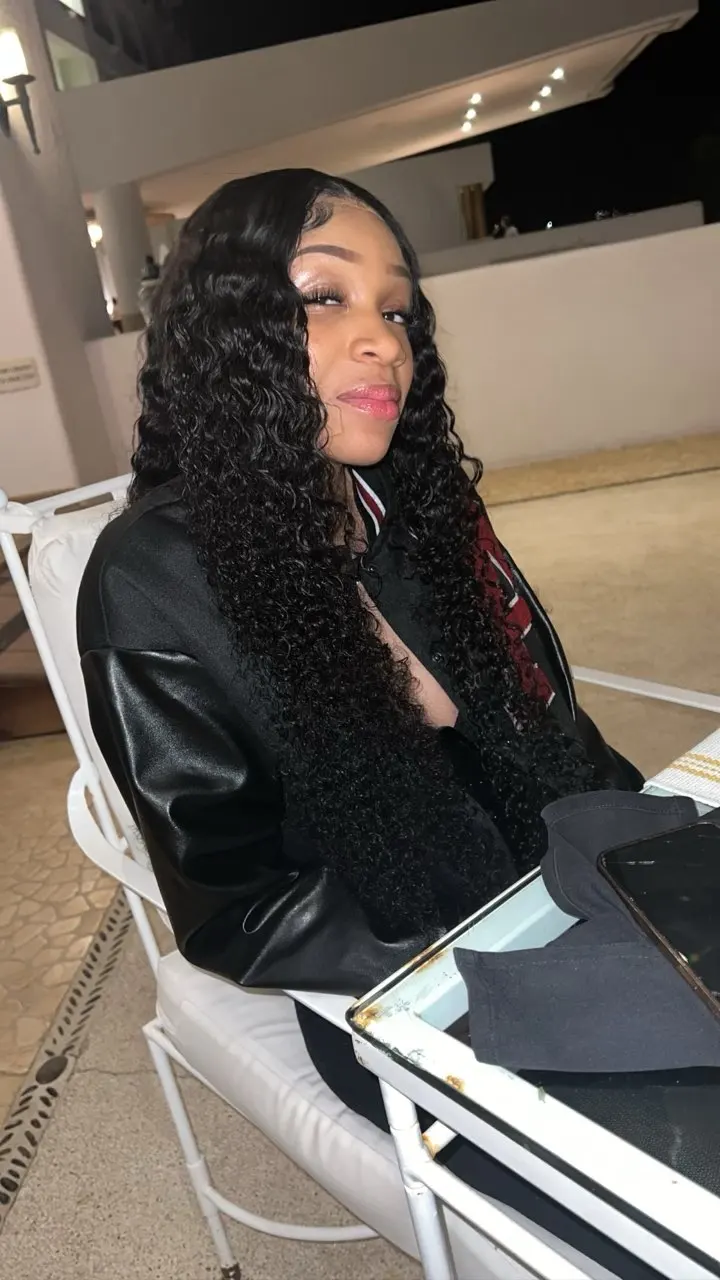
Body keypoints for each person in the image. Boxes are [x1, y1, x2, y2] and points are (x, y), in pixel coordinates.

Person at [77, 169, 650, 1277]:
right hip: (410, 989)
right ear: (229, 328)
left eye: (396, 308)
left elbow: (546, 733)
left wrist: (645, 847)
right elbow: (238, 906)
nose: (382, 339)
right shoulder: (155, 578)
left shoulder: (414, 511)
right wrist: (484, 959)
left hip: (561, 891)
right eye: (323, 297)